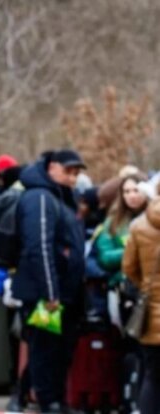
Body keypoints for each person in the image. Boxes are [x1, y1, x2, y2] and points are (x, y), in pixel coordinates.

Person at [12, 149, 86, 414]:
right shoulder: (40, 198)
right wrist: (51, 293)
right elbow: (39, 246)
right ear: (52, 167)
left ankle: (45, 399)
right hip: (45, 293)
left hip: (61, 291)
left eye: (77, 173)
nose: (74, 178)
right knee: (45, 351)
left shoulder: (60, 197)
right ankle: (48, 402)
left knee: (54, 350)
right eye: (69, 171)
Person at [123, 190, 160, 414]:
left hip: (151, 316)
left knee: (153, 377)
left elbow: (128, 268)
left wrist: (147, 285)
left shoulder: (139, 225)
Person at [96, 175, 148, 288]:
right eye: (127, 191)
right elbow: (105, 257)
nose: (132, 196)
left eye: (136, 190)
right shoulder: (113, 221)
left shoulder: (155, 219)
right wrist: (131, 251)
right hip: (124, 283)